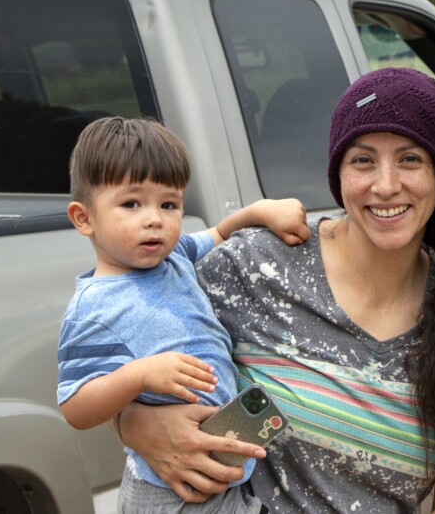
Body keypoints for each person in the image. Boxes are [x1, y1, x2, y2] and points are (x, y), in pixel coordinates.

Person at [117, 70, 435, 513]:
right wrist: (131, 422)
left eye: (410, 159)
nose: (385, 184)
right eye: (362, 160)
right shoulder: (257, 266)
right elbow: (119, 349)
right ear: (337, 174)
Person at [57, 116, 310, 513]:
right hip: (168, 491)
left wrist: (258, 212)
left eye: (169, 204)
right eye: (131, 203)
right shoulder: (94, 307)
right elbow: (76, 406)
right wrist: (139, 375)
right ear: (83, 218)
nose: (155, 218)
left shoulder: (172, 255)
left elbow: (219, 235)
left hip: (221, 469)